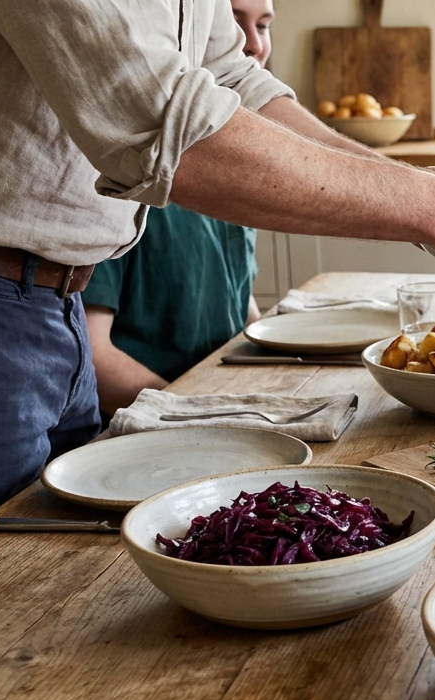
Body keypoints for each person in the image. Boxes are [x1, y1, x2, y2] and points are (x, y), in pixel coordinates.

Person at [0, 0, 435, 564]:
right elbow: (158, 120)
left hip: (44, 306)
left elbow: (230, 82)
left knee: (42, 589)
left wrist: (424, 192)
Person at [83, 0, 275, 419]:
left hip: (213, 400)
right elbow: (92, 359)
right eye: (234, 24)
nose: (253, 44)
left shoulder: (235, 176)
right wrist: (202, 417)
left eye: (263, 25)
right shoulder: (117, 175)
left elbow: (242, 309)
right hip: (154, 421)